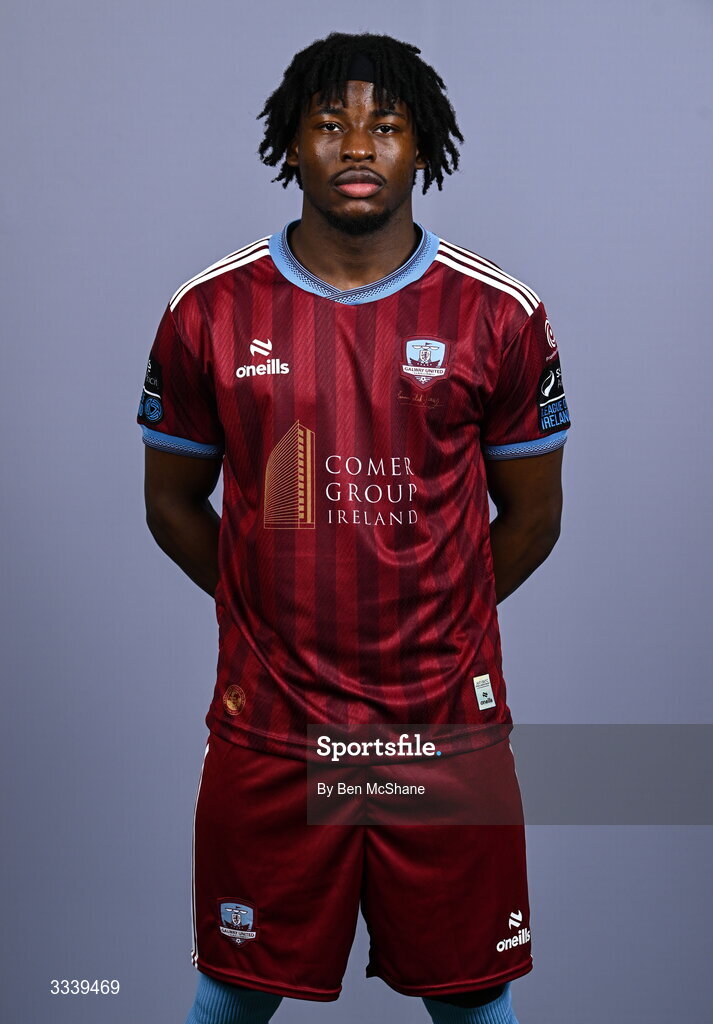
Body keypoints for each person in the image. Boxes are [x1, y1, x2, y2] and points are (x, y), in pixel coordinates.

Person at [137, 31, 571, 1024]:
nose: (359, 146)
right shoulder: (206, 310)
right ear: (289, 147)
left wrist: (428, 612)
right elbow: (169, 502)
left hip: (439, 729)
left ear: (425, 148)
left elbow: (534, 517)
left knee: (472, 998)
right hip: (275, 726)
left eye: (386, 124)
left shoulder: (496, 314)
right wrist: (266, 604)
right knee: (231, 992)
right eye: (329, 126)